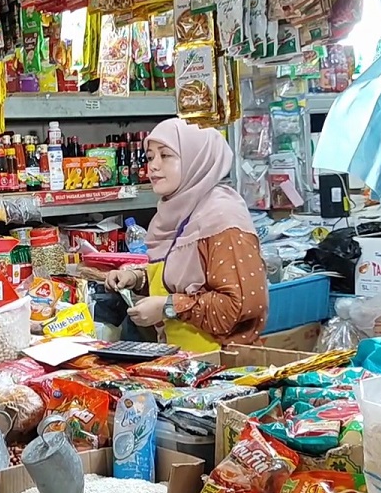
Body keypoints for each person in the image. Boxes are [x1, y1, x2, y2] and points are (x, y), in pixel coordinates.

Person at [105, 120, 268, 352]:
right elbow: (182, 278)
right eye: (150, 157)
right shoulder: (174, 214)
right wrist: (137, 278)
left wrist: (168, 307)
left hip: (223, 366)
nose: (153, 166)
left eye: (166, 156)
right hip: (183, 362)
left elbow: (241, 305)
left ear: (196, 158)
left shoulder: (222, 218)